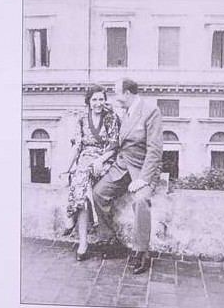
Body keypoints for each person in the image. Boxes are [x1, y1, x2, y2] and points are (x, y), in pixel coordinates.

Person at [90, 78, 163, 273]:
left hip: (143, 167)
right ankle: (110, 240)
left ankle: (142, 252)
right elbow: (118, 141)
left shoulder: (151, 111)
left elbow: (155, 150)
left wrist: (143, 179)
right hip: (122, 165)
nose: (115, 98)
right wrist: (101, 159)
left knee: (141, 200)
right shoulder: (123, 111)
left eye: (117, 93)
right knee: (98, 193)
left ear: (128, 93)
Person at [63, 87, 121, 261]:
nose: (98, 103)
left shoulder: (111, 118)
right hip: (85, 159)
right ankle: (83, 243)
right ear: (88, 101)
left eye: (101, 99)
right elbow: (77, 147)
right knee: (83, 189)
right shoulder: (82, 120)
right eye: (94, 100)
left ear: (105, 100)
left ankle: (70, 216)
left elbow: (114, 146)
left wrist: (100, 160)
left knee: (81, 178)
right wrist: (66, 169)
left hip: (104, 159)